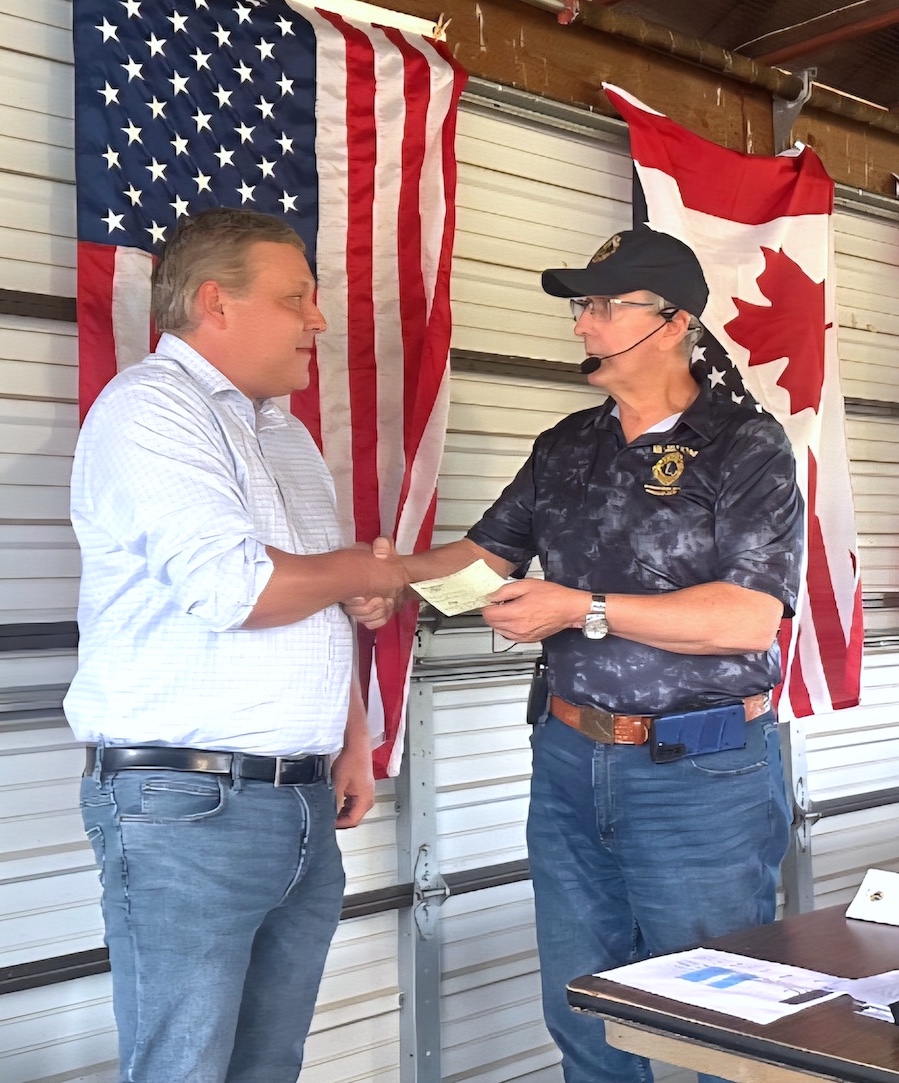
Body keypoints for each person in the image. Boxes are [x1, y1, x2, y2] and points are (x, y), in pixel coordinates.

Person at [396, 229, 803, 1083]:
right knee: (585, 1008)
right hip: (570, 759)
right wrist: (386, 580)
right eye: (581, 305)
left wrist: (579, 608)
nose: (581, 324)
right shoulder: (565, 445)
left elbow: (748, 618)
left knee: (719, 1022)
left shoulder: (745, 446)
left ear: (673, 322)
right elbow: (483, 562)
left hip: (702, 771)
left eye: (602, 305)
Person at [65, 207, 407, 1083]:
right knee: (183, 1067)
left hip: (296, 796)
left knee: (267, 1065)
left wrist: (350, 736)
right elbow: (234, 589)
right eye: (297, 298)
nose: (318, 320)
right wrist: (375, 568)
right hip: (185, 807)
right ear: (216, 302)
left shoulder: (284, 434)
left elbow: (314, 596)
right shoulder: (150, 408)